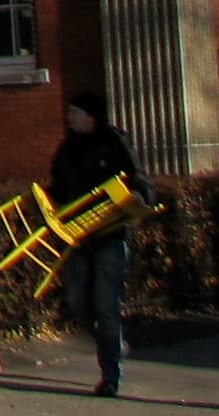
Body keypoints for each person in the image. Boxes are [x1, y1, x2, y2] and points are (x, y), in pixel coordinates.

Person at [52, 89, 148, 398]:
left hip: (110, 234)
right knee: (78, 299)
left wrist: (140, 198)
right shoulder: (66, 150)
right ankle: (111, 341)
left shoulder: (115, 143)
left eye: (75, 113)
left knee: (107, 304)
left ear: (91, 117)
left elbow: (141, 181)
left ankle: (110, 375)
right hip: (79, 236)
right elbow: (58, 186)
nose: (70, 118)